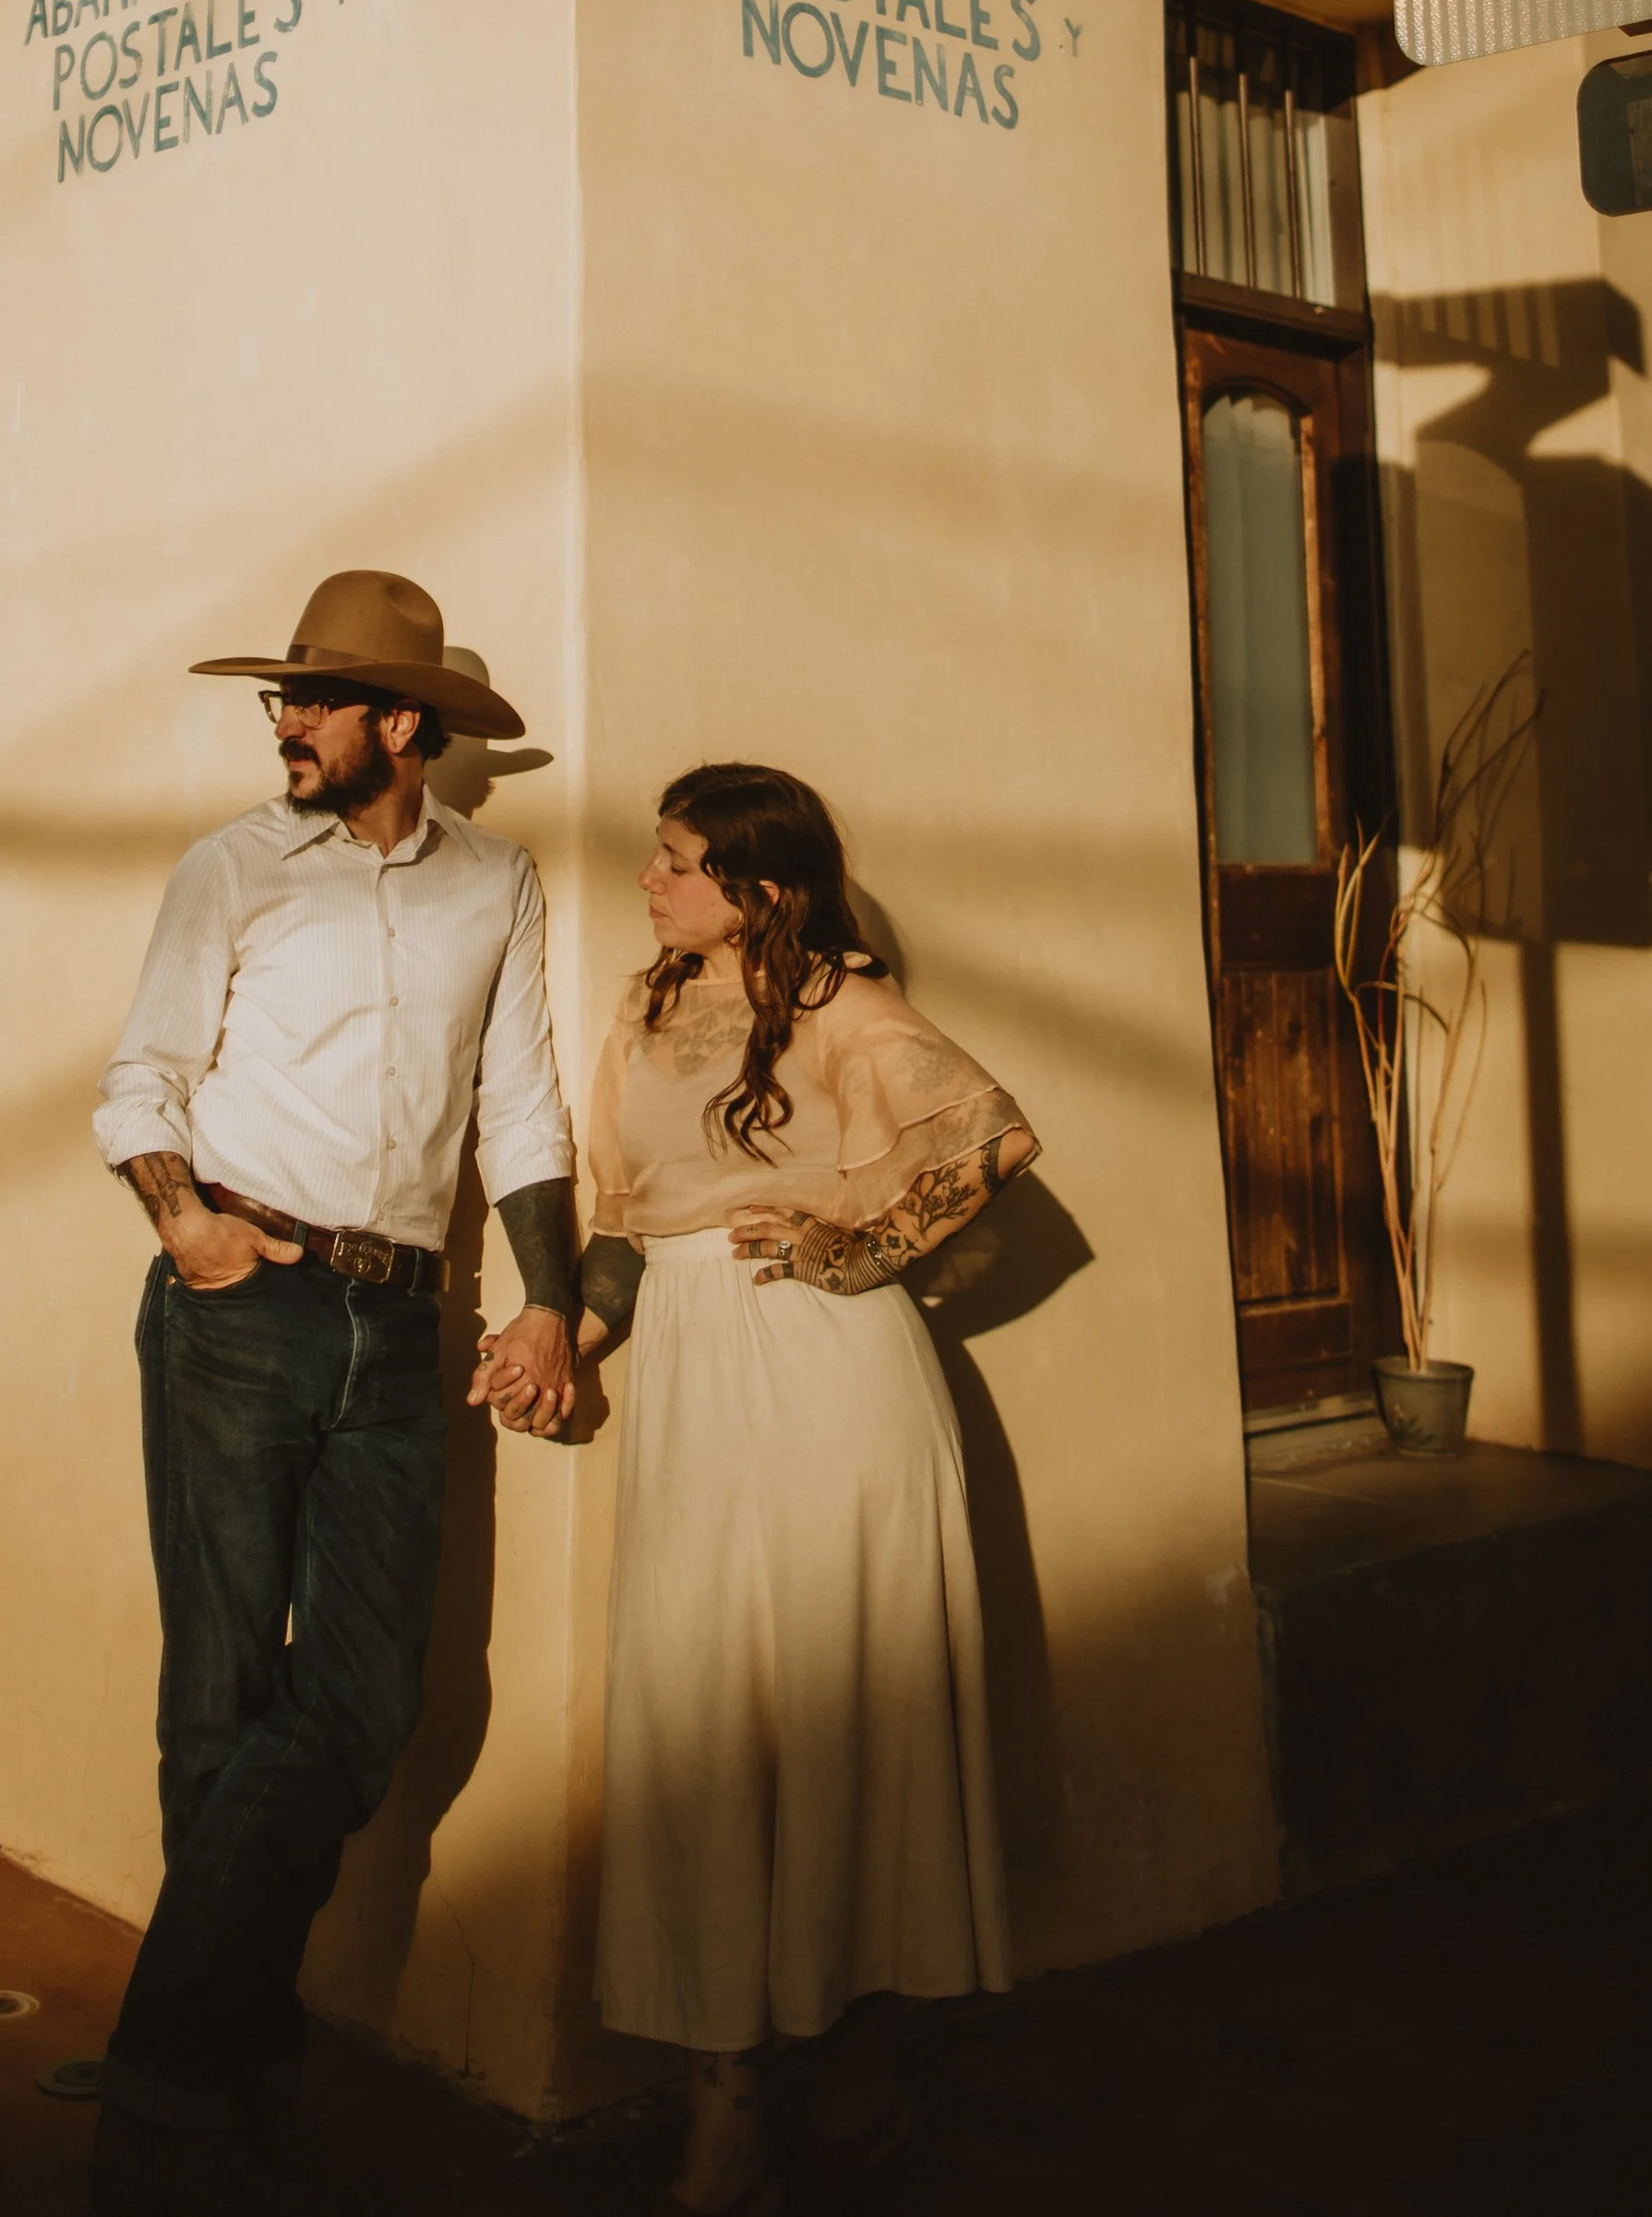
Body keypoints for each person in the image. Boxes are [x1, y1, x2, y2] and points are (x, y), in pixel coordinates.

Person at [480, 762, 1037, 2217]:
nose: (650, 880)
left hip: (835, 1389)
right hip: (698, 1395)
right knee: (710, 1724)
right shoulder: (648, 1009)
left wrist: (857, 1249)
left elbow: (991, 1140)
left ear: (761, 887)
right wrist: (567, 1334)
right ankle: (729, 2099)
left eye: (677, 861)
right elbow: (627, 1221)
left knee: (856, 1716)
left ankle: (861, 2073)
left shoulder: (845, 1003)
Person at [90, 569, 581, 2208]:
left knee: (364, 1702)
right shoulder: (231, 866)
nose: (285, 724)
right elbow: (143, 1079)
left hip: (400, 1323)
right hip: (239, 1303)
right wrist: (191, 1229)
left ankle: (164, 2050)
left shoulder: (494, 883)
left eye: (313, 700)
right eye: (281, 697)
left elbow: (520, 1106)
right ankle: (232, 2070)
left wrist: (551, 1298)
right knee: (220, 1692)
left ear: (403, 724)